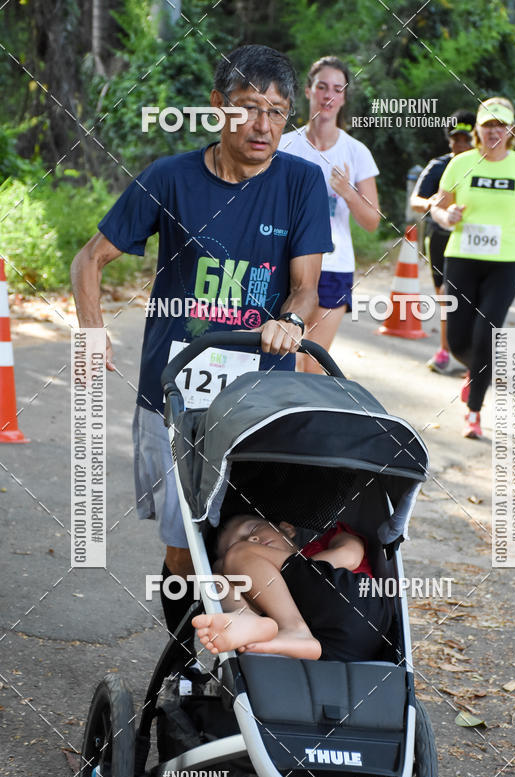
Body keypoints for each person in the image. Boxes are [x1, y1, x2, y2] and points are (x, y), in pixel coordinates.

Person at [71, 45, 333, 668]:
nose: (262, 126)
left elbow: (305, 287)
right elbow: (89, 260)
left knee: (242, 539)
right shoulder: (170, 178)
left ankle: (240, 666)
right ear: (217, 107)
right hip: (174, 397)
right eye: (247, 109)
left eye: (276, 111)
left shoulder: (300, 182)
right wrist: (89, 330)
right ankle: (189, 662)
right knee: (184, 550)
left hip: (256, 404)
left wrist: (290, 321)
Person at [431, 97, 515, 438]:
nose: (495, 131)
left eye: (502, 125)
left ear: (512, 130)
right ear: (478, 130)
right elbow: (439, 208)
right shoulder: (460, 163)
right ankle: (476, 370)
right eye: (488, 125)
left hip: (506, 262)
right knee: (457, 340)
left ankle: (474, 412)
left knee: (487, 333)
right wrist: (446, 216)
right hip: (462, 257)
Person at [280, 56, 380, 372]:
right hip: (286, 262)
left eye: (337, 89)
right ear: (308, 91)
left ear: (344, 98)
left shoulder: (356, 152)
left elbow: (372, 221)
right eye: (322, 87)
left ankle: (304, 420)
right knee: (283, 358)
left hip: (334, 265)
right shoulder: (284, 146)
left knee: (313, 365)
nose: (328, 96)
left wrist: (348, 191)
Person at [192, 515, 391, 662]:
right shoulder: (269, 597)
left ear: (287, 528)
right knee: (216, 582)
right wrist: (224, 571)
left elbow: (349, 556)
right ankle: (250, 622)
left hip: (358, 605)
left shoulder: (327, 541)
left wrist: (244, 559)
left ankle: (291, 629)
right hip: (334, 651)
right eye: (236, 543)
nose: (250, 540)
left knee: (238, 555)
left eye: (253, 529)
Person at [410, 111, 476, 373]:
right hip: (440, 240)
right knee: (447, 298)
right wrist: (431, 203)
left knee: (472, 299)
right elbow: (416, 200)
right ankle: (445, 352)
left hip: (473, 242)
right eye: (455, 139)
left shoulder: (484, 166)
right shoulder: (439, 166)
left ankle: (471, 357)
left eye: (466, 140)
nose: (460, 145)